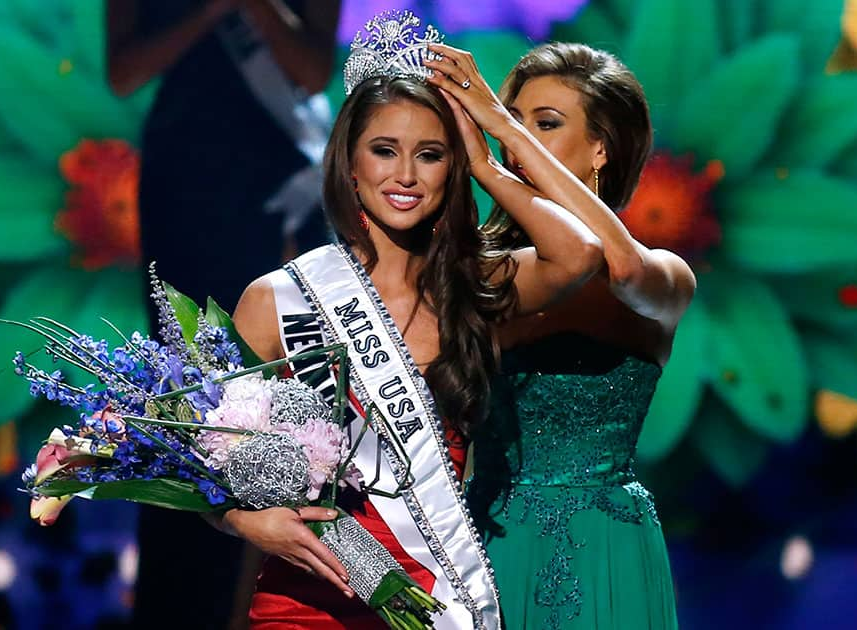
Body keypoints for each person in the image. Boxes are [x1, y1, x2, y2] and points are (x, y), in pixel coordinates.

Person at [213, 12, 605, 629]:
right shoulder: (276, 299)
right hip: (306, 599)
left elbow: (580, 253)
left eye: (430, 155)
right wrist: (242, 519)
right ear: (350, 163)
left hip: (434, 601)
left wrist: (489, 151)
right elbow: (195, 456)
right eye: (384, 151)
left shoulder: (475, 287)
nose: (404, 176)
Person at [435, 42, 693, 629]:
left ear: (602, 146)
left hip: (606, 548)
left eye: (545, 124)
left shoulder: (667, 274)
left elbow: (620, 269)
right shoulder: (478, 272)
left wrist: (498, 149)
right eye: (513, 120)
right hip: (487, 537)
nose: (518, 136)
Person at [105, 2, 340, 626]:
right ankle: (176, 606)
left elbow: (315, 73)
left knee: (272, 401)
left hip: (276, 188)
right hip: (185, 183)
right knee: (183, 404)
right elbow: (122, 71)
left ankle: (264, 602)